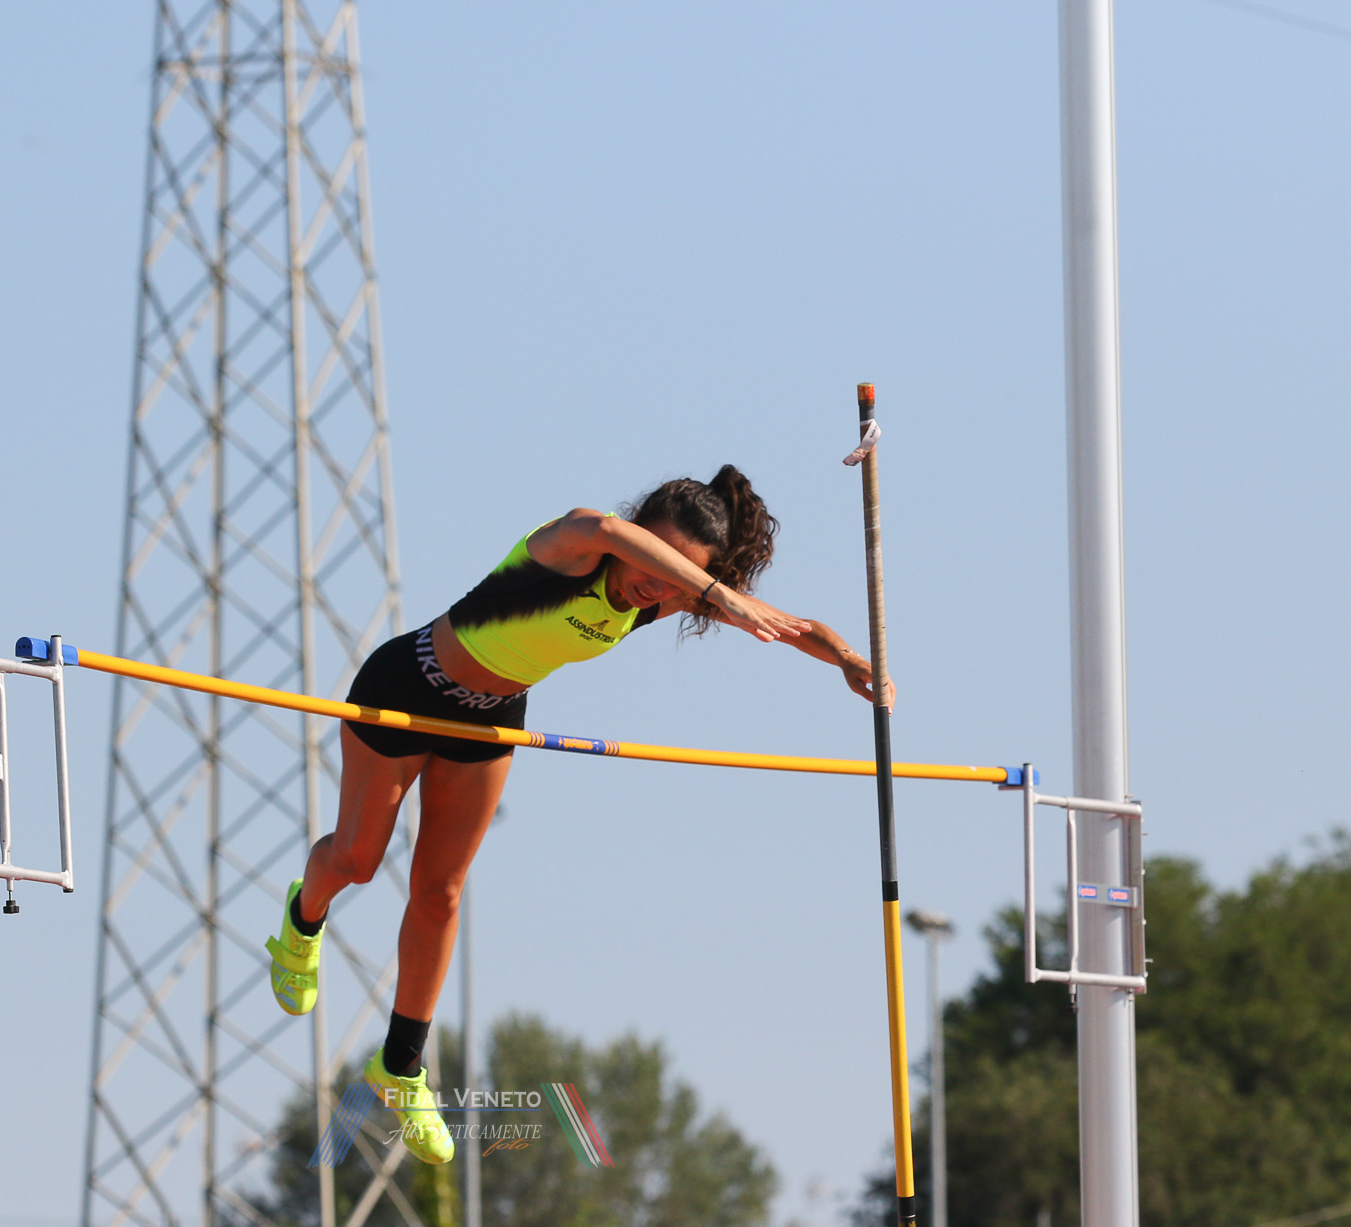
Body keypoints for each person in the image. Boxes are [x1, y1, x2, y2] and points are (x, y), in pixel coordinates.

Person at [263, 466, 892, 1164]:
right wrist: (715, 593)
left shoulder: (660, 597)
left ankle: (400, 1067)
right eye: (659, 563)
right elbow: (609, 529)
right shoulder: (573, 545)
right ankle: (302, 920)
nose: (659, 586)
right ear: (640, 533)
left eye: (680, 577)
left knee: (440, 891)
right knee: (357, 860)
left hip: (490, 718)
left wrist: (846, 657)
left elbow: (795, 627)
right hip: (408, 686)